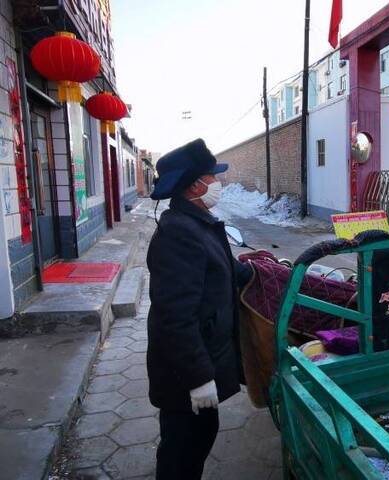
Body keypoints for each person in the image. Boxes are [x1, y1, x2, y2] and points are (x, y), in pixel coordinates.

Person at [146, 139, 250, 479]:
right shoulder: (179, 233)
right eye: (211, 176)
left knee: (200, 437)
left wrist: (261, 270)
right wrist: (199, 379)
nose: (217, 183)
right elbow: (173, 317)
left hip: (202, 359)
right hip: (184, 374)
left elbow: (223, 269)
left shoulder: (198, 222)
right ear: (194, 185)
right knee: (181, 451)